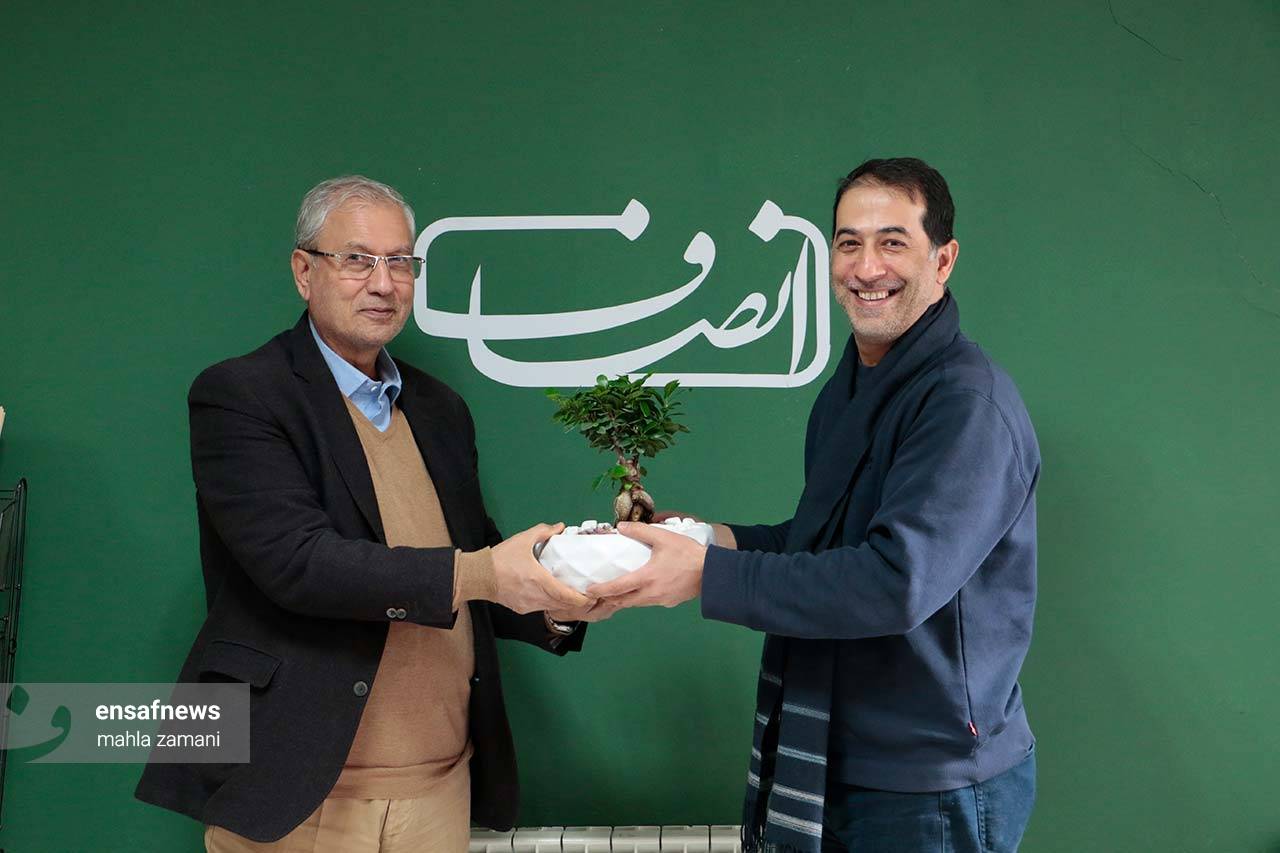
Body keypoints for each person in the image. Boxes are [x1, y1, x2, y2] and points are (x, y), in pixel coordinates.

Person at [136, 175, 609, 851]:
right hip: (298, 796)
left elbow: (478, 565)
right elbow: (300, 564)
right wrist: (484, 572)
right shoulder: (241, 395)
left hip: (440, 788)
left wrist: (568, 593)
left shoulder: (441, 408)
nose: (384, 284)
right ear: (304, 271)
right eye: (357, 259)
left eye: (401, 262)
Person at [591, 158, 1040, 852]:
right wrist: (705, 538)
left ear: (943, 259)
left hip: (930, 785)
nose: (866, 267)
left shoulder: (964, 404)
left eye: (893, 242)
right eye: (848, 242)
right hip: (841, 758)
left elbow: (893, 582)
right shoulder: (849, 389)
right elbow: (823, 545)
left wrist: (704, 574)